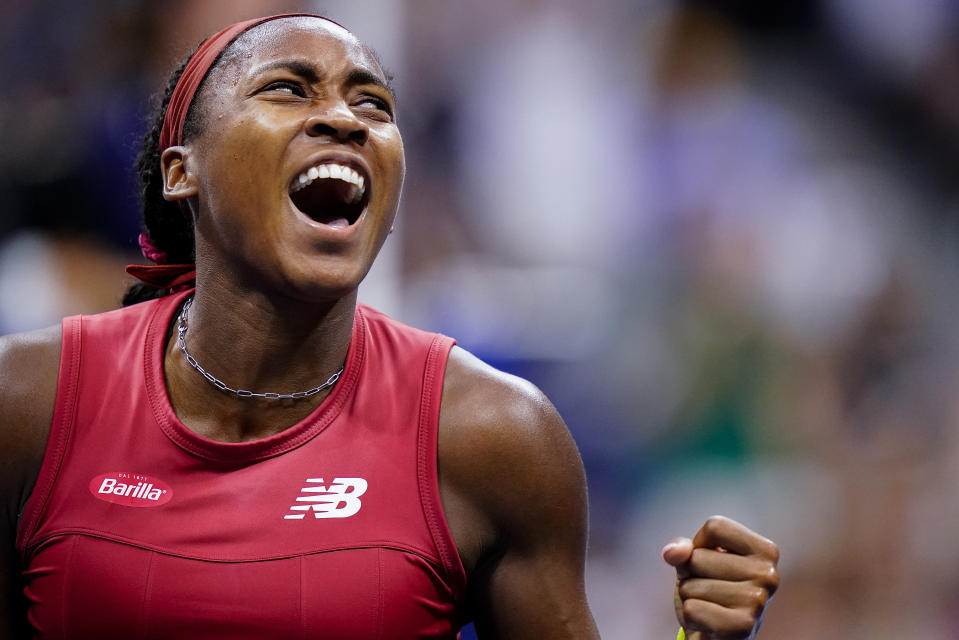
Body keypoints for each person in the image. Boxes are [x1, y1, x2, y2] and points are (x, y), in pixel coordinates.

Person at [0, 13, 779, 639]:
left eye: (372, 103)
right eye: (288, 89)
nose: (343, 119)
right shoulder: (28, 402)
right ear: (182, 170)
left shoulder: (493, 436)